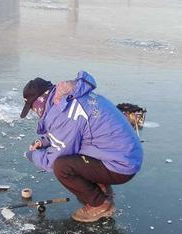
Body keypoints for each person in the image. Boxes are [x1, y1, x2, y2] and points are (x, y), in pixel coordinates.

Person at [20, 70, 143, 223]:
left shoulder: (62, 113)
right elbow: (72, 132)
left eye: (31, 107)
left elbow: (53, 160)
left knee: (62, 166)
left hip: (121, 164)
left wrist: (32, 155)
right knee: (74, 153)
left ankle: (99, 204)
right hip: (124, 153)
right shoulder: (68, 99)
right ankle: (101, 187)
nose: (33, 112)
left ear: (38, 102)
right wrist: (45, 141)